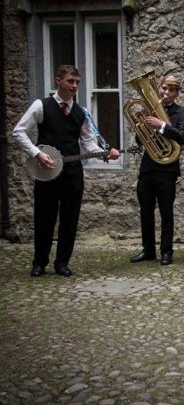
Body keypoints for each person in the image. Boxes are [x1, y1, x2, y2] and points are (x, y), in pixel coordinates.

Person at [12, 64, 120, 277]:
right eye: (70, 81)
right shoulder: (41, 106)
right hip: (47, 171)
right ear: (58, 81)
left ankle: (62, 263)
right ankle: (39, 262)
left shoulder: (82, 112)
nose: (74, 86)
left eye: (77, 82)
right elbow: (18, 131)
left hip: (73, 172)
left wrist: (104, 154)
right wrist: (36, 153)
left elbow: (88, 143)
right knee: (44, 218)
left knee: (70, 219)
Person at [130, 75, 184, 266]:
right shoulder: (149, 110)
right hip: (148, 168)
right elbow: (140, 140)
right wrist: (143, 126)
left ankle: (166, 251)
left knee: (166, 212)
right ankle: (148, 250)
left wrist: (162, 125)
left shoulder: (181, 112)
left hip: (167, 169)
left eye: (171, 90)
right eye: (164, 88)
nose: (166, 92)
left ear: (176, 93)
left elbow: (183, 136)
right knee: (146, 211)